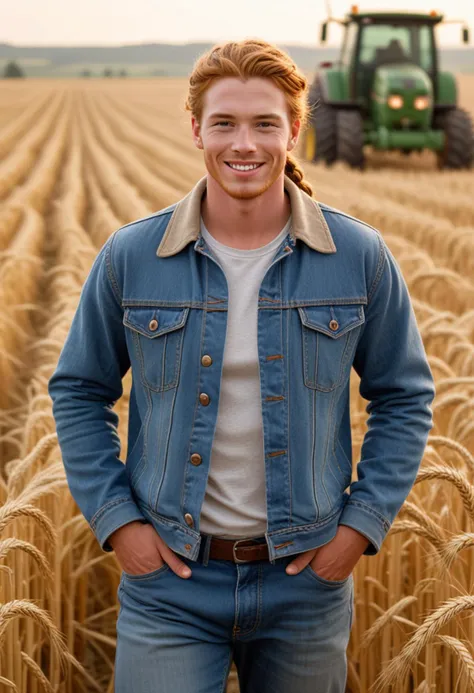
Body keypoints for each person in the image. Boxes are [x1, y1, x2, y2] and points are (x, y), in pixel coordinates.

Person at [48, 38, 436, 693]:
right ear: (197, 128)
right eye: (224, 122)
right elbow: (80, 390)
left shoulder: (359, 256)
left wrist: (357, 530)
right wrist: (121, 525)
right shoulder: (131, 257)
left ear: (294, 130)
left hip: (304, 585)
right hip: (169, 583)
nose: (244, 144)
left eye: (264, 123)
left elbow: (404, 395)